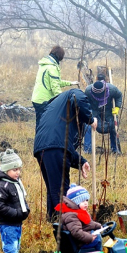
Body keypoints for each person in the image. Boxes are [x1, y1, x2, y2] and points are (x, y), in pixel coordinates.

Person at [34, 89, 96, 220]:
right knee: (61, 189)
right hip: (54, 147)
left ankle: (53, 219)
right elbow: (78, 98)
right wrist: (90, 119)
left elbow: (63, 144)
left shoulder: (55, 106)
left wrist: (81, 161)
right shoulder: (74, 93)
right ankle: (65, 223)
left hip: (41, 147)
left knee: (53, 188)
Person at [31, 45, 78, 129]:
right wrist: (63, 101)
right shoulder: (52, 67)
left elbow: (56, 82)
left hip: (37, 98)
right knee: (46, 125)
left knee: (39, 123)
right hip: (44, 101)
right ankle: (42, 141)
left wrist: (70, 83)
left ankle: (38, 141)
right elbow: (55, 87)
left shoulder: (44, 64)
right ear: (60, 56)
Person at [54, 184, 103, 252]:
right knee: (97, 239)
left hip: (80, 239)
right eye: (82, 201)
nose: (86, 203)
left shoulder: (79, 212)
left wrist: (98, 226)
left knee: (95, 234)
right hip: (80, 243)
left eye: (86, 200)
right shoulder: (71, 216)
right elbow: (76, 232)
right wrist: (90, 238)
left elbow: (88, 224)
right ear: (75, 202)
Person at [83, 75, 123, 155]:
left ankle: (115, 149)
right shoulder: (88, 90)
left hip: (108, 110)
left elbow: (119, 96)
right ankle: (88, 149)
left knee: (113, 126)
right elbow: (85, 102)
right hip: (94, 110)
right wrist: (88, 113)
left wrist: (117, 107)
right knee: (87, 125)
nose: (98, 97)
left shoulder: (112, 89)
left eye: (100, 95)